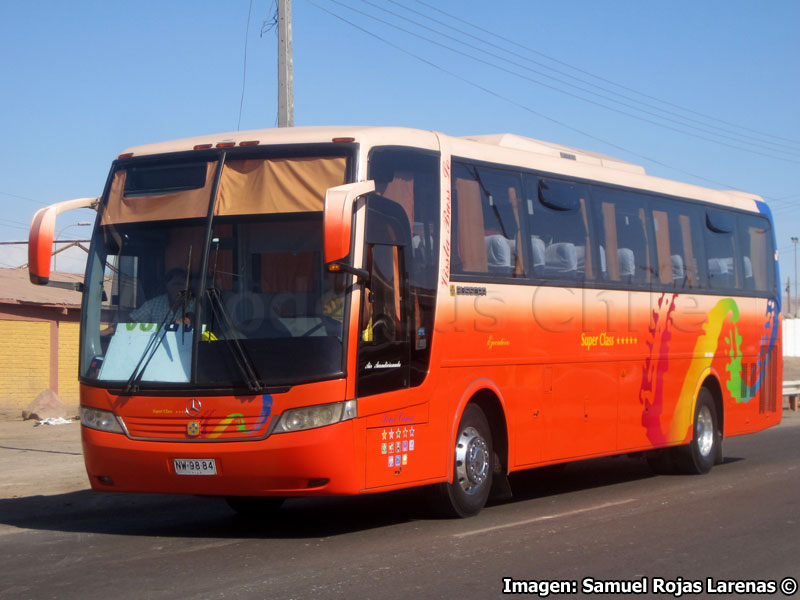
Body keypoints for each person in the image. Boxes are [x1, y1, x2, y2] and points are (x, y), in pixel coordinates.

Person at [130, 267, 196, 324]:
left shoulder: (194, 304)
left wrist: (187, 320)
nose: (178, 288)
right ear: (167, 286)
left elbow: (191, 318)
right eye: (175, 284)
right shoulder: (154, 304)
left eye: (181, 284)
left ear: (188, 287)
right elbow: (133, 320)